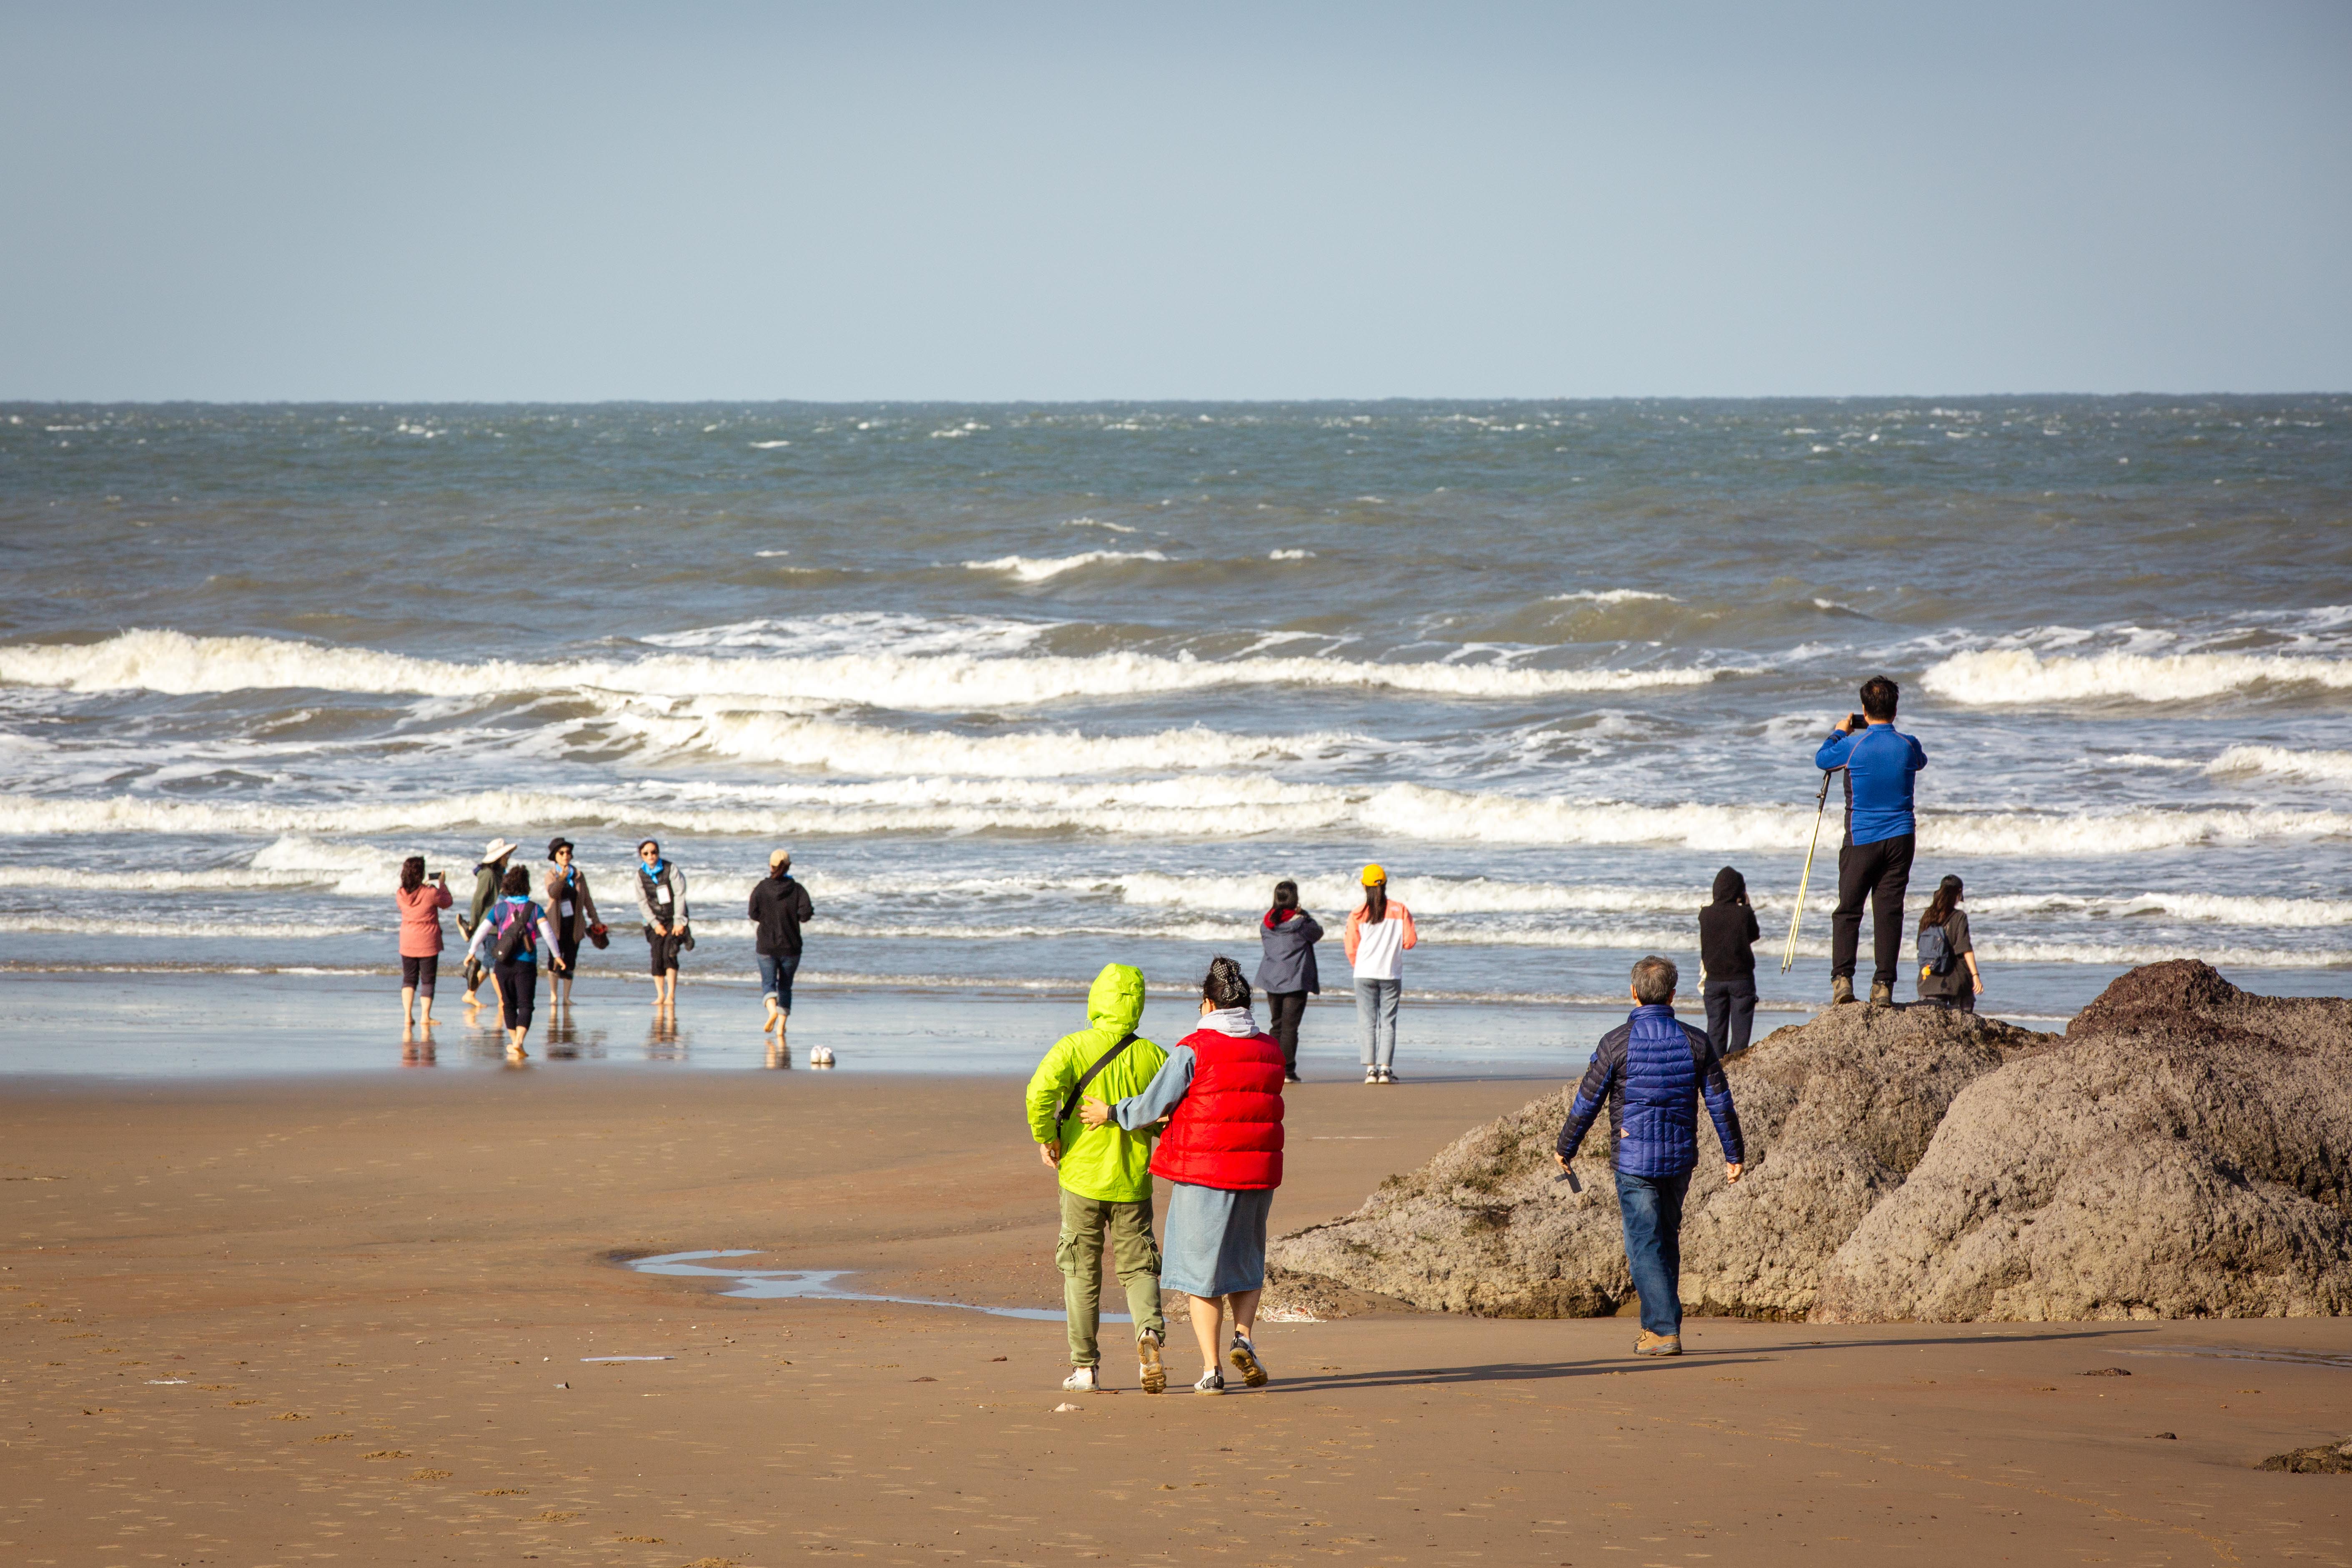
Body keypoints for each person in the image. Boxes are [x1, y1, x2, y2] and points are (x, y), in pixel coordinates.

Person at [1083, 955, 1284, 1395]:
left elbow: (1151, 1105)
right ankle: (1244, 1338)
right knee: (1246, 1263)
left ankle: (1212, 1369)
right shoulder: (1270, 1049)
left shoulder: (1194, 1047)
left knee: (1201, 1274)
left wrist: (1110, 1112)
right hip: (1258, 1172)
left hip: (1205, 1172)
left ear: (1209, 1003)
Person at [1553, 955, 1745, 1357]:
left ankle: (1661, 1330)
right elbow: (1721, 1103)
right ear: (1673, 994)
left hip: (1634, 1158)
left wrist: (1566, 1146)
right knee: (1664, 1239)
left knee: (1644, 1243)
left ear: (1634, 993)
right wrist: (1734, 1153)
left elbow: (1586, 1102)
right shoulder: (1695, 1041)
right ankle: (1661, 1324)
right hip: (1678, 1158)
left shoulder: (1616, 1042)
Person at [1024, 962, 1171, 1395]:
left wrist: (1046, 1135)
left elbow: (1039, 1092)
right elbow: (1172, 1113)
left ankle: (1085, 1368)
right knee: (1140, 1266)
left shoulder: (1073, 1045)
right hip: (1132, 1179)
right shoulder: (1153, 1055)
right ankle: (1148, 1333)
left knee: (1080, 1271)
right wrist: (1149, 1127)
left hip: (1081, 1179)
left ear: (1096, 999)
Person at [1813, 675, 1929, 1006]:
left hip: (1862, 837)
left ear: (1865, 709)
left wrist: (1840, 731)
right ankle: (1883, 986)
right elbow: (1920, 761)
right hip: (1902, 837)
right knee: (1889, 911)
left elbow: (1823, 758)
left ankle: (1843, 981)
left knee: (1849, 910)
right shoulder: (1909, 744)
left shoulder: (1853, 745)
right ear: (1895, 710)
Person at [463, 865, 563, 1057]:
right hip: (526, 963)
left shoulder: (499, 909)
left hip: (503, 963)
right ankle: (519, 1043)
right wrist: (557, 956)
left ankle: (516, 1042)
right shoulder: (535, 909)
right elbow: (548, 934)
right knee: (526, 1004)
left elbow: (482, 931)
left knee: (508, 1004)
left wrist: (471, 951)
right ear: (527, 885)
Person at [1344, 864, 1416, 1084]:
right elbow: (1409, 942)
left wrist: (1360, 966)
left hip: (1364, 973)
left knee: (1367, 1022)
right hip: (1390, 973)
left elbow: (1351, 947)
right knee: (1388, 1022)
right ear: (1384, 884)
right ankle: (1385, 1070)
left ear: (1365, 886)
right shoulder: (1400, 910)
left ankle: (1370, 1071)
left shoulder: (1358, 913)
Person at [1255, 878, 1322, 1083]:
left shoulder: (1267, 925)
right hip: (1295, 981)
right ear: (1295, 900)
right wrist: (1305, 914)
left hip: (1272, 979)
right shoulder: (1302, 925)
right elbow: (1317, 932)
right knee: (1290, 1027)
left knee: (1277, 1024)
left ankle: (1274, 1067)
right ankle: (1288, 1071)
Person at [748, 848, 815, 1041]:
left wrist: (768, 918)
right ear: (789, 867)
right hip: (791, 946)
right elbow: (805, 915)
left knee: (769, 984)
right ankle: (780, 1029)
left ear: (771, 866)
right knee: (786, 986)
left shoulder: (761, 888)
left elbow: (753, 913)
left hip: (766, 946)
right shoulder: (798, 889)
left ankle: (772, 1012)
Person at [1697, 866, 1760, 1058]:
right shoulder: (1743, 914)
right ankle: (1736, 1072)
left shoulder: (1705, 914)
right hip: (1741, 979)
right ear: (1739, 892)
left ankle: (1717, 1072)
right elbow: (1754, 935)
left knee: (1715, 1031)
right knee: (1741, 1034)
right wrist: (1747, 906)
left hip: (1714, 980)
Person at [541, 837, 602, 1012]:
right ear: (555, 856)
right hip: (556, 925)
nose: (566, 855)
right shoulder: (551, 875)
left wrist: (595, 920)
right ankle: (554, 996)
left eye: (568, 852)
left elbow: (588, 900)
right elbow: (553, 894)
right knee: (554, 959)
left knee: (571, 960)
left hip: (575, 924)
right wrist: (561, 879)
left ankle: (566, 998)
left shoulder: (579, 876)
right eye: (562, 853)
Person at [394, 856, 452, 1031]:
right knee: (428, 980)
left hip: (408, 941)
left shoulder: (401, 894)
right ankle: (425, 1016)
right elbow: (447, 902)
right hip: (428, 942)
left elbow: (413, 900)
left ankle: (407, 1016)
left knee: (409, 979)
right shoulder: (431, 893)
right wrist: (442, 884)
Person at [460, 838, 518, 1013]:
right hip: (490, 925)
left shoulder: (500, 874)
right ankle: (503, 1001)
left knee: (488, 962)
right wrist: (473, 924)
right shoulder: (488, 875)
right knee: (494, 963)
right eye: (506, 854)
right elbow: (478, 901)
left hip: (498, 924)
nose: (508, 857)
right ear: (499, 857)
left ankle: (470, 993)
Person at [1915, 874, 1985, 1011]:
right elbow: (1965, 948)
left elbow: (1920, 945)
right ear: (1959, 893)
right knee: (1964, 1022)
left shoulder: (1927, 916)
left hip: (1929, 980)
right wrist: (1976, 976)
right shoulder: (1959, 917)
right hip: (1957, 982)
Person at [634, 839, 688, 1010]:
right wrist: (655, 924)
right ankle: (660, 995)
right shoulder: (640, 875)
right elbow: (642, 902)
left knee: (670, 955)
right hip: (653, 921)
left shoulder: (670, 869)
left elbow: (680, 894)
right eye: (646, 853)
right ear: (641, 856)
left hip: (673, 918)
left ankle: (671, 995)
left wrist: (680, 921)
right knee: (657, 957)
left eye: (654, 852)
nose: (651, 856)